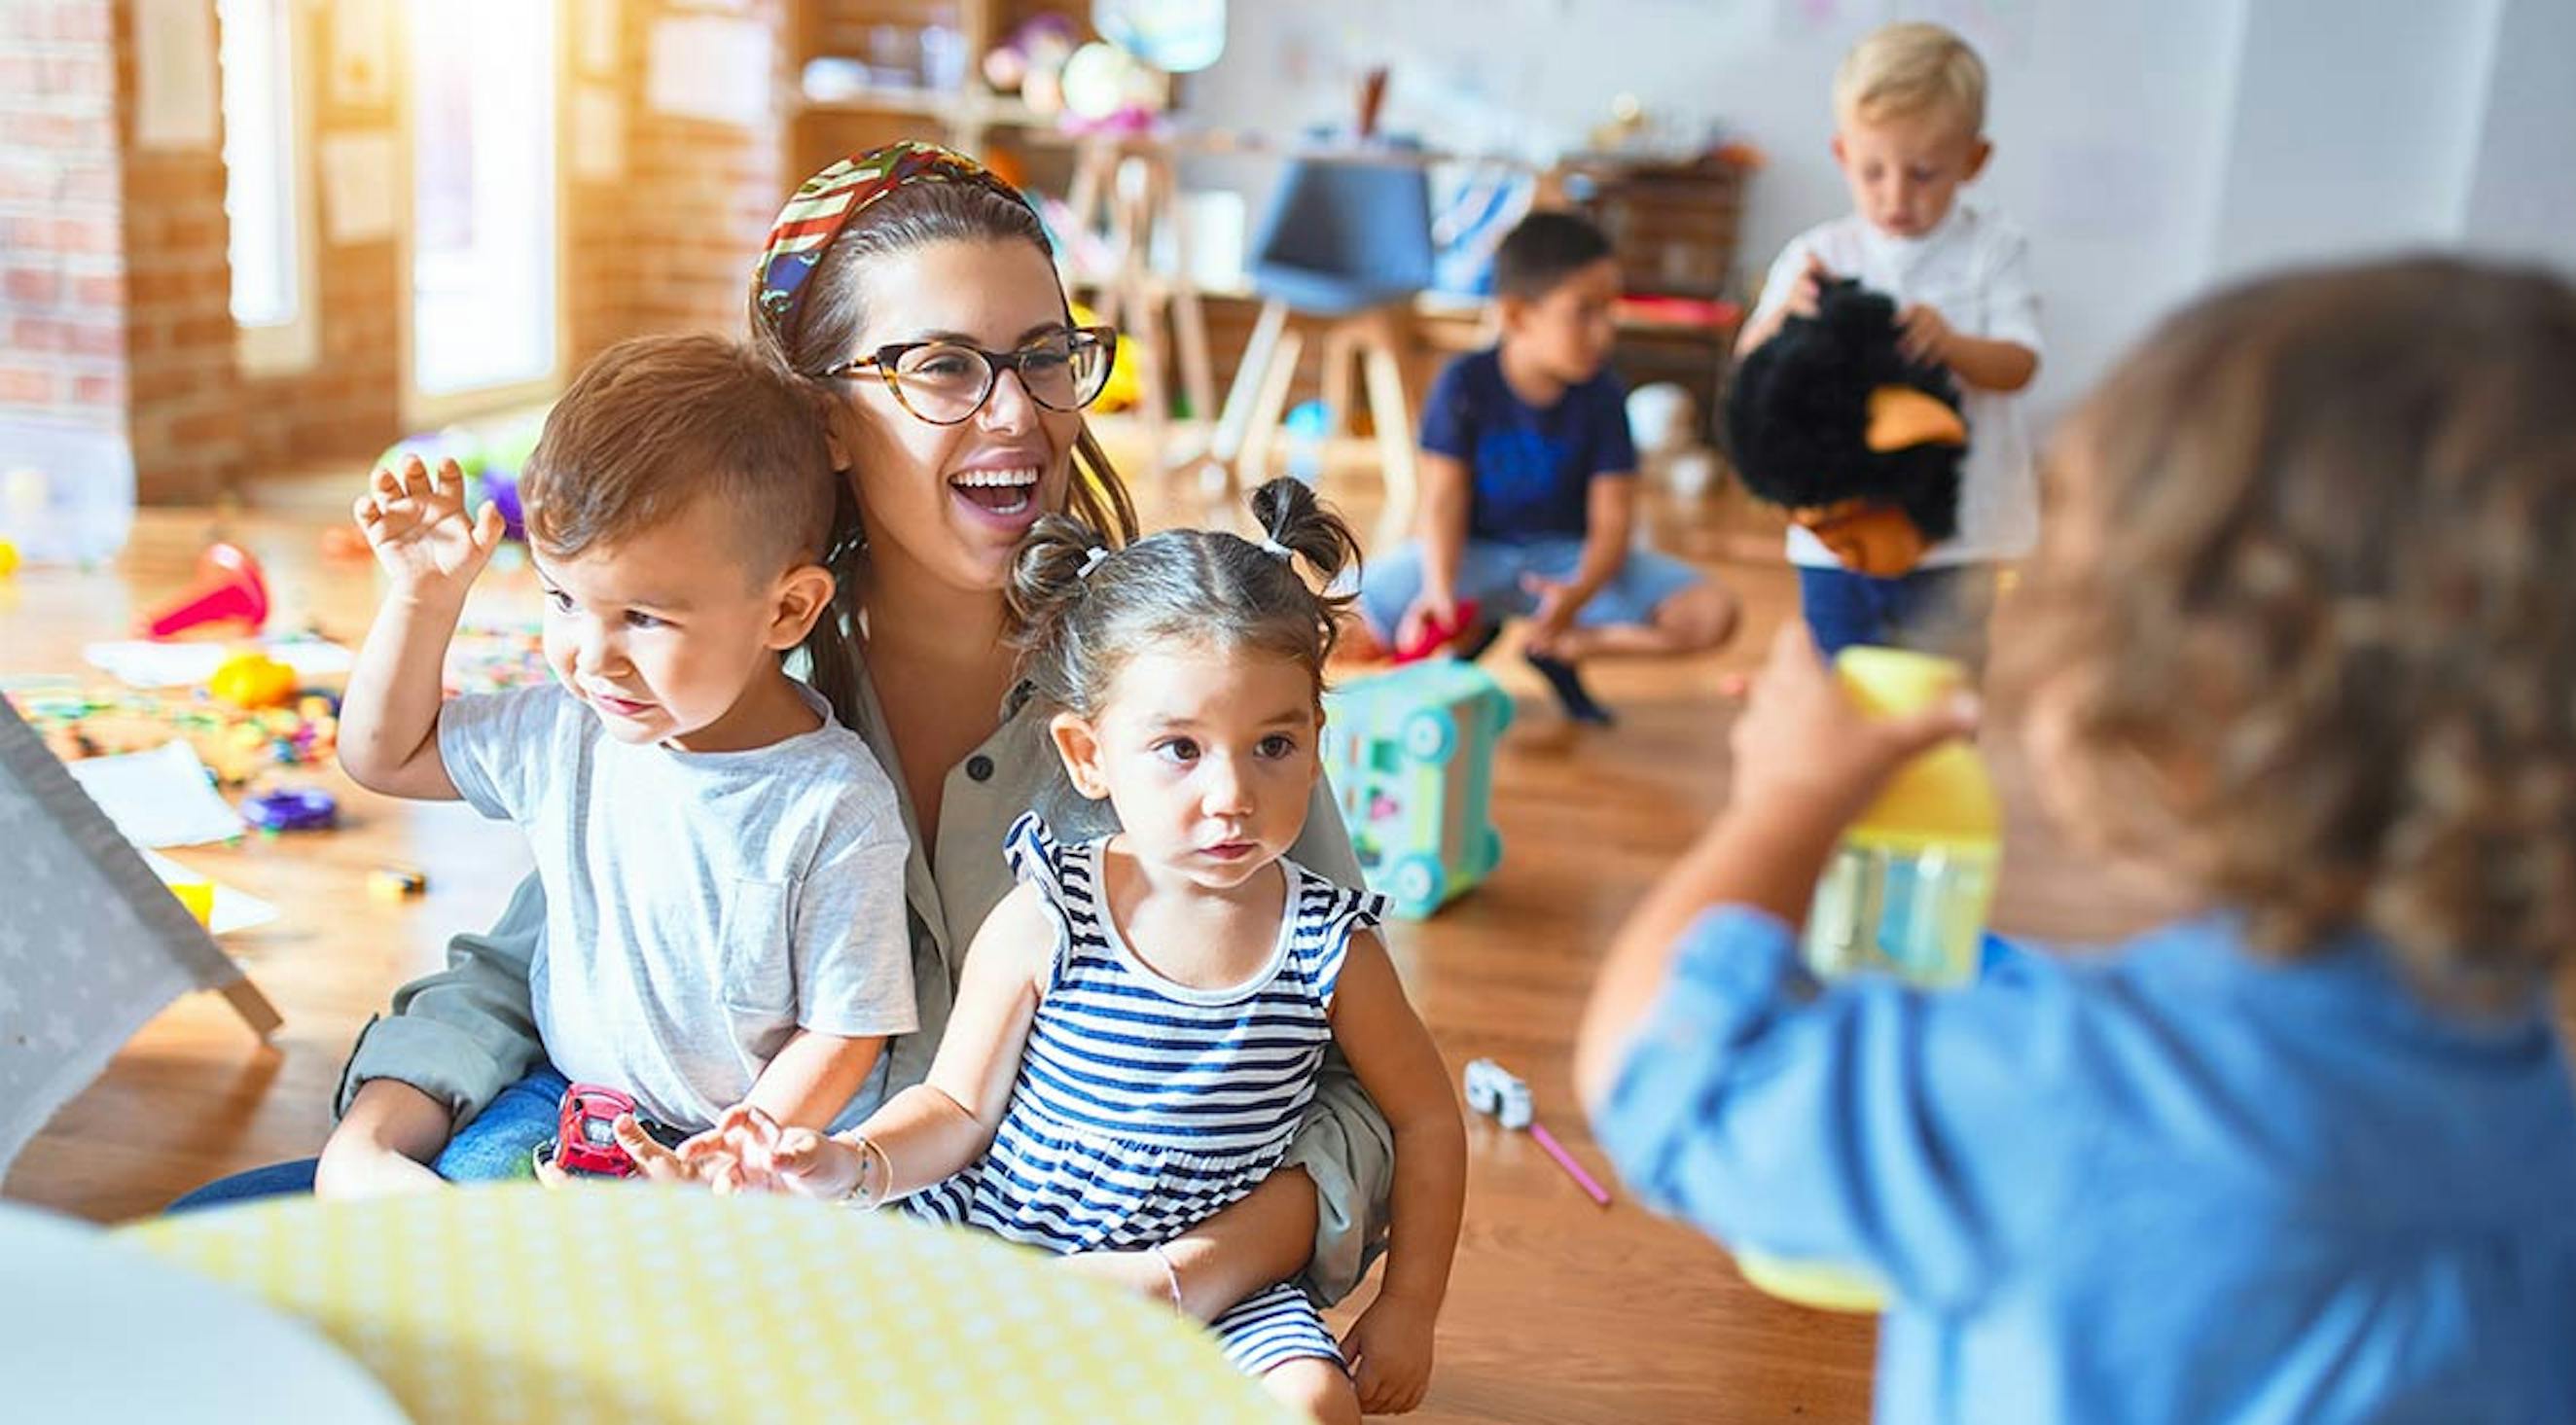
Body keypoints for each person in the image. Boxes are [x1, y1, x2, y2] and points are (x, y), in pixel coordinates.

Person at [177, 142, 1395, 1332]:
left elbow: (1354, 1098)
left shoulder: (1188, 700)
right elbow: (530, 966)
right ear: (819, 418)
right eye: (942, 368)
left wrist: (1176, 1278)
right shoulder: (707, 676)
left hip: (1001, 1299)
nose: (1017, 412)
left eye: (1042, 357)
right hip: (690, 1225)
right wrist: (373, 1136)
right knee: (191, 1263)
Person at [1579, 258, 2576, 1421]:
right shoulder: (2516, 1110)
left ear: (2202, 702)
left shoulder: (2081, 1097)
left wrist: (1783, 801)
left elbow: (1659, 1075)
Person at [650, 481, 1465, 1423]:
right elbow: (954, 1106)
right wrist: (852, 1162)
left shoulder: (1328, 943)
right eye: (1179, 748)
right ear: (1087, 754)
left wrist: (1410, 1307)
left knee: (1316, 1401)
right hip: (1004, 1241)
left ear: (1318, 741)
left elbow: (1427, 1121)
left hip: (1217, 1285)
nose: (1232, 793)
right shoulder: (1052, 908)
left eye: (1272, 744)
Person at [336, 334, 918, 1174]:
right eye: (564, 599)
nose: (591, 656)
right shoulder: (570, 731)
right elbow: (382, 755)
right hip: (578, 1103)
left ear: (788, 611)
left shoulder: (831, 802)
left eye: (642, 618)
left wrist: (742, 1147)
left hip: (764, 1142)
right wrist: (424, 598)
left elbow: (847, 1025)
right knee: (465, 1219)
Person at [1350, 210, 1737, 725]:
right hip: (1473, 555)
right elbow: (1443, 500)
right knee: (1333, 621)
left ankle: (1562, 647)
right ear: (1515, 316)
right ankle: (1465, 639)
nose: (1605, 332)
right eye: (1584, 312)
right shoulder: (1464, 383)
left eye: (1610, 311)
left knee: (1712, 613)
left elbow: (1614, 523)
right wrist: (1439, 590)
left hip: (1567, 562)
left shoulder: (1603, 397)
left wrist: (1578, 594)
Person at [1735, 20, 2041, 656]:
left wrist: (1954, 344)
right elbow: (1750, 367)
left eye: (1924, 173)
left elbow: (2019, 365)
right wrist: (1783, 318)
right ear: (1842, 153)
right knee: (1841, 676)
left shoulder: (1993, 250)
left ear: (1973, 160)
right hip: (1838, 524)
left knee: (1944, 690)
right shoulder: (1817, 253)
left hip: (1961, 532)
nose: (1896, 195)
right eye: (1873, 171)